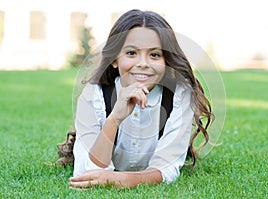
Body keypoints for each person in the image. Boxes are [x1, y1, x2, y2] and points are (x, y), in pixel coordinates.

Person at [57, 9, 213, 188]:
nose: (143, 63)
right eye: (131, 53)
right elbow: (88, 173)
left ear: (166, 61)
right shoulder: (93, 96)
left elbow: (166, 169)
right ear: (115, 59)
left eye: (154, 55)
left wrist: (120, 180)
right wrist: (114, 119)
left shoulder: (179, 95)